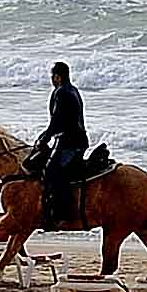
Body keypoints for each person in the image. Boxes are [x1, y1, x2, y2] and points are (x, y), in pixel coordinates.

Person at [33, 61, 90, 227]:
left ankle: (62, 212)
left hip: (69, 142)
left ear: (57, 76)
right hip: (74, 140)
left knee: (52, 171)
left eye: (52, 76)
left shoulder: (61, 93)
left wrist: (44, 138)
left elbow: (57, 121)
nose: (51, 79)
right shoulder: (72, 90)